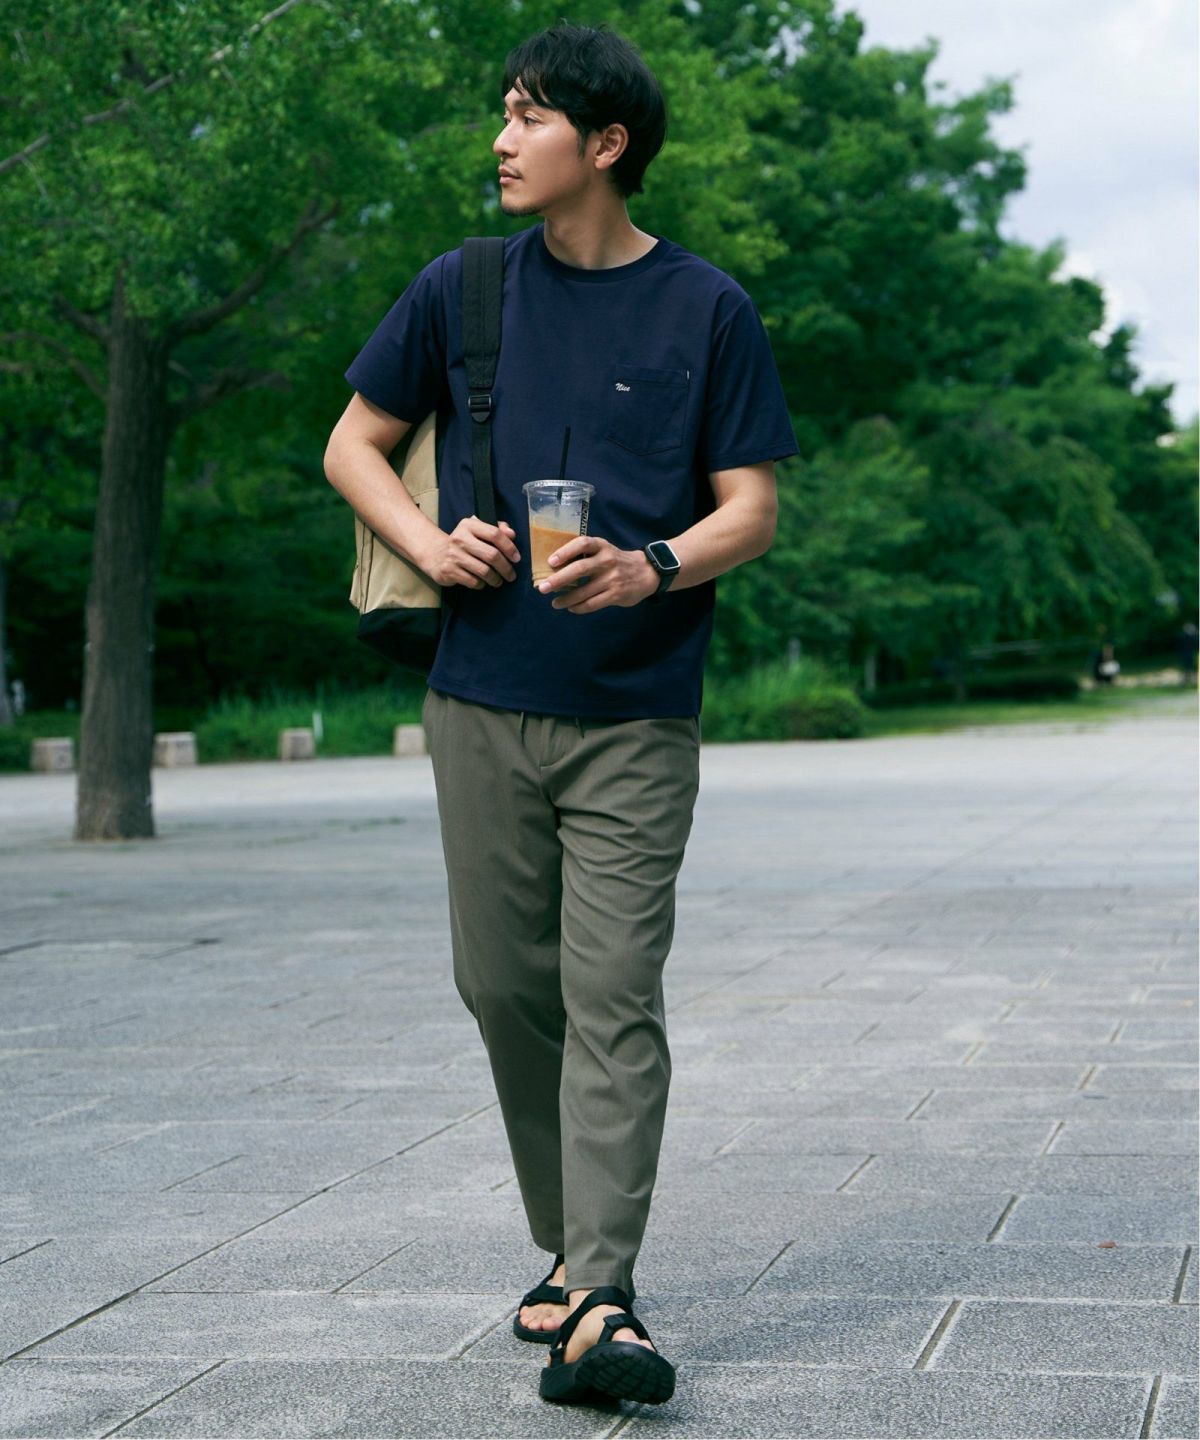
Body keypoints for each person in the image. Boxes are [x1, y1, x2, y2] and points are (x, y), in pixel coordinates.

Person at [324, 21, 797, 1408]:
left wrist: (651, 564)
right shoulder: (463, 290)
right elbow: (352, 444)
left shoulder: (707, 309)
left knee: (612, 991)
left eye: (529, 116)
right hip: (480, 694)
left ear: (607, 144)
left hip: (637, 711)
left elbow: (752, 510)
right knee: (503, 985)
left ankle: (601, 1291)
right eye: (505, 112)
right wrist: (431, 540)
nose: (502, 138)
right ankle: (568, 1243)